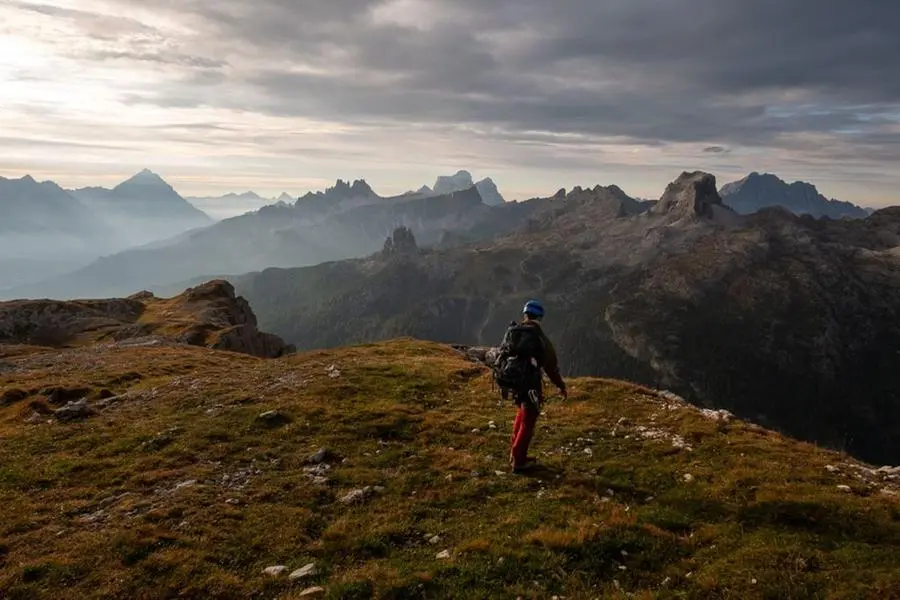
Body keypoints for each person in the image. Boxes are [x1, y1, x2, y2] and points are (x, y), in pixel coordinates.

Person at [494, 299, 567, 473]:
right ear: (540, 317)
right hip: (530, 384)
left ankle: (516, 453)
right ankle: (519, 461)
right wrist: (561, 386)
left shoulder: (513, 332)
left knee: (521, 414)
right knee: (528, 420)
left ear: (525, 314)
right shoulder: (540, 338)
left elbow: (502, 354)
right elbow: (551, 367)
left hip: (513, 381)